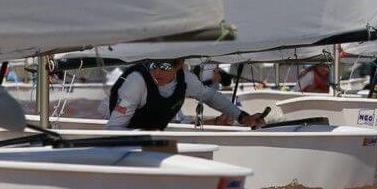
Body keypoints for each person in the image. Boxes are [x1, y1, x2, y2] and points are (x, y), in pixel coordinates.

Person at [107, 58, 264, 131]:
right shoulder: (137, 83)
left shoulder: (186, 79)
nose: (157, 72)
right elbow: (114, 128)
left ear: (180, 65)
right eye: (153, 65)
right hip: (128, 136)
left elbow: (210, 96)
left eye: (165, 66)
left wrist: (243, 117)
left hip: (156, 138)